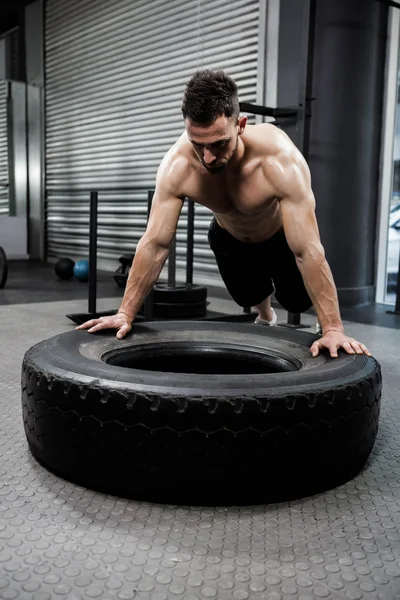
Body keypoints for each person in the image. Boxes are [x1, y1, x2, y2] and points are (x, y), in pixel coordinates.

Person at [77, 69, 371, 359]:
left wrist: (333, 327)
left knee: (296, 299)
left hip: (277, 234)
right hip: (228, 236)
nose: (207, 158)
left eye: (219, 144)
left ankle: (323, 322)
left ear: (240, 124)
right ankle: (266, 317)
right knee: (246, 296)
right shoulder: (177, 166)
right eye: (197, 144)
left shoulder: (279, 161)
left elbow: (307, 249)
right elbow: (155, 242)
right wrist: (125, 313)